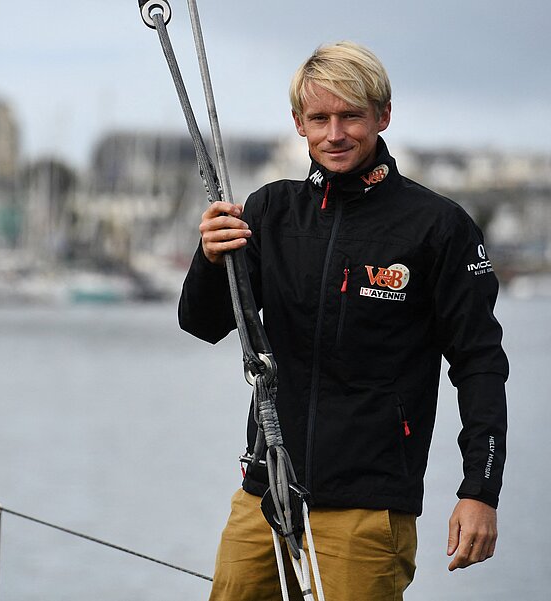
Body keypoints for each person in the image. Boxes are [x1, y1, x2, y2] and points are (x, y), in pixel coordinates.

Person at [178, 41, 509, 601]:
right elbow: (202, 324)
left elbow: (479, 364)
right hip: (267, 491)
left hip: (367, 503)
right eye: (320, 118)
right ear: (299, 124)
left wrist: (480, 489)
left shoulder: (439, 226)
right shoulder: (268, 211)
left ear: (382, 116)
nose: (335, 134)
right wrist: (209, 259)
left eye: (351, 116)